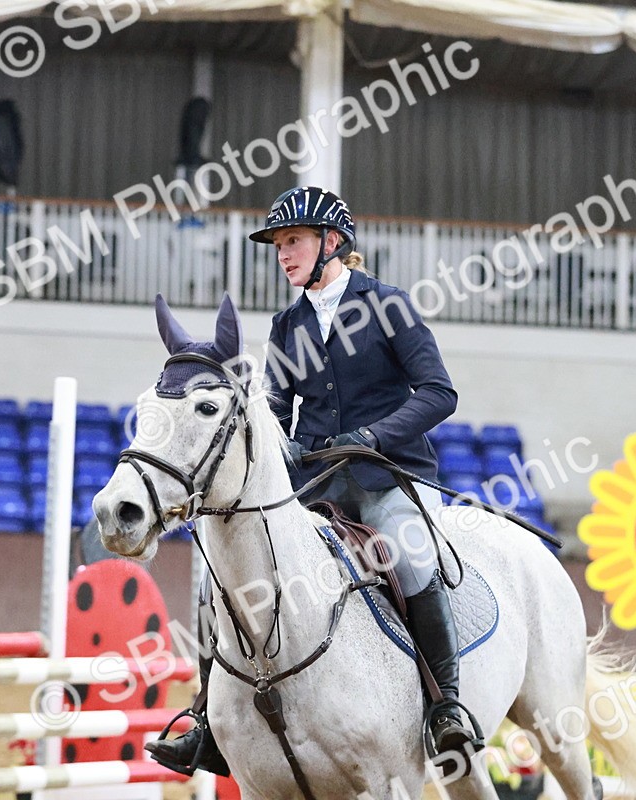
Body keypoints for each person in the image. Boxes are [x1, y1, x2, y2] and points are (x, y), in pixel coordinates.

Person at [146, 186, 477, 777]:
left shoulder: (388, 306)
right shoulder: (288, 323)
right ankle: (208, 720)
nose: (282, 253)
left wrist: (375, 436)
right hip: (316, 482)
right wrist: (277, 441)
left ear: (332, 242)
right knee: (221, 583)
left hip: (387, 475)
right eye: (277, 244)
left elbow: (439, 393)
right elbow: (275, 405)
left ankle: (446, 706)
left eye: (292, 240)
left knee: (413, 559)